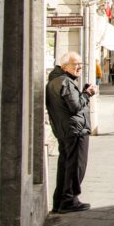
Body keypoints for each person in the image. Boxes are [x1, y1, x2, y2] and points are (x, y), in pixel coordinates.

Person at [46, 51, 96, 213]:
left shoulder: (55, 81)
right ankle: (69, 200)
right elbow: (75, 106)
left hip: (65, 130)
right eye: (76, 64)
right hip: (75, 130)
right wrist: (87, 94)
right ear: (65, 66)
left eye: (81, 64)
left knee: (65, 165)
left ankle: (60, 200)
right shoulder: (65, 82)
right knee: (76, 166)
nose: (80, 67)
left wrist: (81, 93)